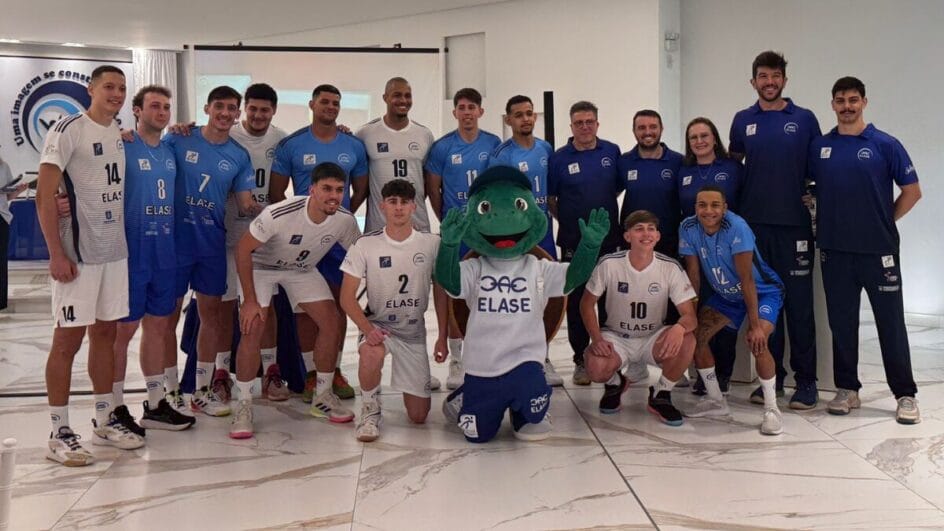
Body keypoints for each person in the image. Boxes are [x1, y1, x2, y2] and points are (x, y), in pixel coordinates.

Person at [37, 65, 143, 466]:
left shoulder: (117, 131)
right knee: (67, 341)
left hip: (114, 252)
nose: (116, 93)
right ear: (91, 89)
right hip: (77, 254)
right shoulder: (67, 129)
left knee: (106, 335)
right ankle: (59, 431)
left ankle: (104, 418)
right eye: (109, 86)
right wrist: (56, 253)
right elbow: (44, 195)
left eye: (122, 88)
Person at [810, 76, 922, 424]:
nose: (847, 106)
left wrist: (884, 220)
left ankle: (905, 394)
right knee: (842, 324)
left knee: (891, 324)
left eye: (853, 100)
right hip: (834, 251)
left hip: (878, 251)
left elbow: (912, 191)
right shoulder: (820, 147)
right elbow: (808, 188)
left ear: (864, 103)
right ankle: (847, 389)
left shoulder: (885, 144)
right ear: (832, 105)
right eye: (841, 100)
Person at [230, 162, 361, 438]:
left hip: (300, 269)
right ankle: (243, 405)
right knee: (253, 326)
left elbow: (361, 256)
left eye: (339, 190)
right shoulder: (279, 213)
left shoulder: (345, 220)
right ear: (312, 190)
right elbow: (242, 250)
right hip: (261, 268)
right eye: (326, 189)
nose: (333, 196)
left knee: (332, 322)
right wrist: (250, 301)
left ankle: (322, 396)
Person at [729, 51, 822, 409]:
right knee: (768, 304)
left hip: (795, 227)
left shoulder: (804, 119)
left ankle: (807, 382)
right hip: (754, 229)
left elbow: (818, 168)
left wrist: (813, 196)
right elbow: (733, 168)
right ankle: (774, 379)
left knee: (800, 307)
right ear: (753, 81)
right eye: (763, 76)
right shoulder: (742, 120)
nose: (769, 82)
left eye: (775, 76)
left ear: (784, 79)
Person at [270, 83, 369, 402]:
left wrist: (337, 221)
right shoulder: (292, 144)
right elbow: (276, 193)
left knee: (340, 305)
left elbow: (361, 189)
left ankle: (333, 370)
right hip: (303, 242)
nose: (330, 107)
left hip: (337, 243)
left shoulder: (353, 145)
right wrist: (299, 225)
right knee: (305, 309)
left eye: (335, 103)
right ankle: (312, 374)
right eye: (325, 101)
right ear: (312, 104)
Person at [165, 85, 258, 417]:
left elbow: (246, 204)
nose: (225, 113)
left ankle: (202, 391)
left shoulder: (238, 156)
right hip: (175, 244)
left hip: (211, 245)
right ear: (207, 108)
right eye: (219, 106)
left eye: (232, 108)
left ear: (238, 114)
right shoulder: (178, 139)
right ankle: (170, 392)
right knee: (166, 319)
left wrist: (287, 213)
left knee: (212, 317)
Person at [111, 85, 195, 433]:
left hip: (165, 251)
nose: (161, 112)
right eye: (154, 106)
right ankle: (114, 407)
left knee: (159, 328)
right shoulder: (122, 145)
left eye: (166, 107)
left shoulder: (170, 149)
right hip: (132, 252)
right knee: (122, 331)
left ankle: (156, 404)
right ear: (137, 110)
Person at [340, 179, 448, 442]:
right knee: (370, 353)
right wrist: (368, 330)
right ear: (382, 206)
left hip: (413, 333)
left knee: (419, 416)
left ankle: (408, 384)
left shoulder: (432, 243)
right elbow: (346, 298)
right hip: (379, 326)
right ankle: (370, 410)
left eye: (404, 202)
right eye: (392, 202)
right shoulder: (365, 244)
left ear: (414, 207)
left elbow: (441, 292)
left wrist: (442, 336)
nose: (398, 208)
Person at [679, 186, 785, 435]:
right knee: (695, 338)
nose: (708, 210)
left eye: (715, 205)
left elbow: (747, 279)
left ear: (725, 208)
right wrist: (691, 314)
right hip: (727, 295)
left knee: (757, 340)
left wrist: (755, 325)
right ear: (695, 207)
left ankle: (772, 409)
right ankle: (716, 401)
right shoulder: (688, 227)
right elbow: (694, 275)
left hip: (762, 291)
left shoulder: (737, 227)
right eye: (702, 205)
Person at [582, 210, 697, 425]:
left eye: (651, 229)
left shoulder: (670, 267)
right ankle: (615, 383)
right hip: (617, 336)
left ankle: (661, 393)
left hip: (652, 337)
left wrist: (679, 328)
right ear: (627, 236)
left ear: (658, 236)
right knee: (595, 367)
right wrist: (596, 339)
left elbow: (690, 317)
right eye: (639, 229)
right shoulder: (609, 263)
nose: (646, 234)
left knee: (687, 339)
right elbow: (586, 304)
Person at [214, 83, 288, 402]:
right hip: (228, 233)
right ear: (244, 109)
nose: (258, 115)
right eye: (253, 109)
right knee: (226, 305)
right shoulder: (227, 134)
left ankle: (271, 371)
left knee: (265, 306)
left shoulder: (282, 140)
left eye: (265, 110)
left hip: (265, 236)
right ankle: (220, 373)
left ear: (274, 111)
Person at [425, 88, 500, 390]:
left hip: (485, 231)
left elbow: (498, 185)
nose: (467, 112)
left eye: (472, 107)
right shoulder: (443, 147)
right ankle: (456, 358)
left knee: (486, 290)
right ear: (454, 112)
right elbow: (433, 189)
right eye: (462, 107)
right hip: (456, 231)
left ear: (481, 112)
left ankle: (485, 354)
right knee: (452, 290)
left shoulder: (493, 144)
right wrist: (448, 221)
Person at [547, 101, 622, 386]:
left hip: (609, 241)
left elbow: (616, 188)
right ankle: (580, 359)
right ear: (571, 126)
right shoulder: (559, 158)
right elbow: (552, 199)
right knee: (577, 300)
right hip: (573, 242)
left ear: (597, 124)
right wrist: (568, 220)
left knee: (609, 300)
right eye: (579, 122)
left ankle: (611, 357)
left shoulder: (611, 152)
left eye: (589, 121)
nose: (585, 127)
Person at [490, 95, 561, 386]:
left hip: (544, 233)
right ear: (508, 119)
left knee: (546, 294)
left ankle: (543, 355)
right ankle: (513, 356)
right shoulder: (502, 154)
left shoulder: (545, 148)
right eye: (518, 114)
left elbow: (552, 192)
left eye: (529, 113)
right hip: (516, 236)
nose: (526, 119)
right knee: (518, 295)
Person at [679, 117, 742, 395]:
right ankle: (703, 374)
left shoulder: (732, 168)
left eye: (704, 135)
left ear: (714, 138)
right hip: (694, 250)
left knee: (723, 316)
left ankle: (724, 374)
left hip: (727, 252)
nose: (699, 141)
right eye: (693, 137)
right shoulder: (683, 171)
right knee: (699, 311)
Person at [356, 77, 435, 233]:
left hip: (416, 224)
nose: (403, 100)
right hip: (378, 225)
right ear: (385, 98)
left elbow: (428, 182)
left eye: (408, 96)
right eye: (397, 95)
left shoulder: (424, 134)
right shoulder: (365, 133)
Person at [616, 110, 683, 257]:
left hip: (669, 242)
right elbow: (611, 194)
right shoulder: (624, 161)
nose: (647, 132)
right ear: (634, 131)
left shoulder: (678, 161)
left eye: (653, 127)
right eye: (641, 128)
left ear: (661, 129)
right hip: (633, 243)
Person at [0, 154, 28, 312]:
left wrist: (19, 190)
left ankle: (1, 300)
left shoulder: (4, 167)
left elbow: (8, 195)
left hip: (2, 217)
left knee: (1, 260)